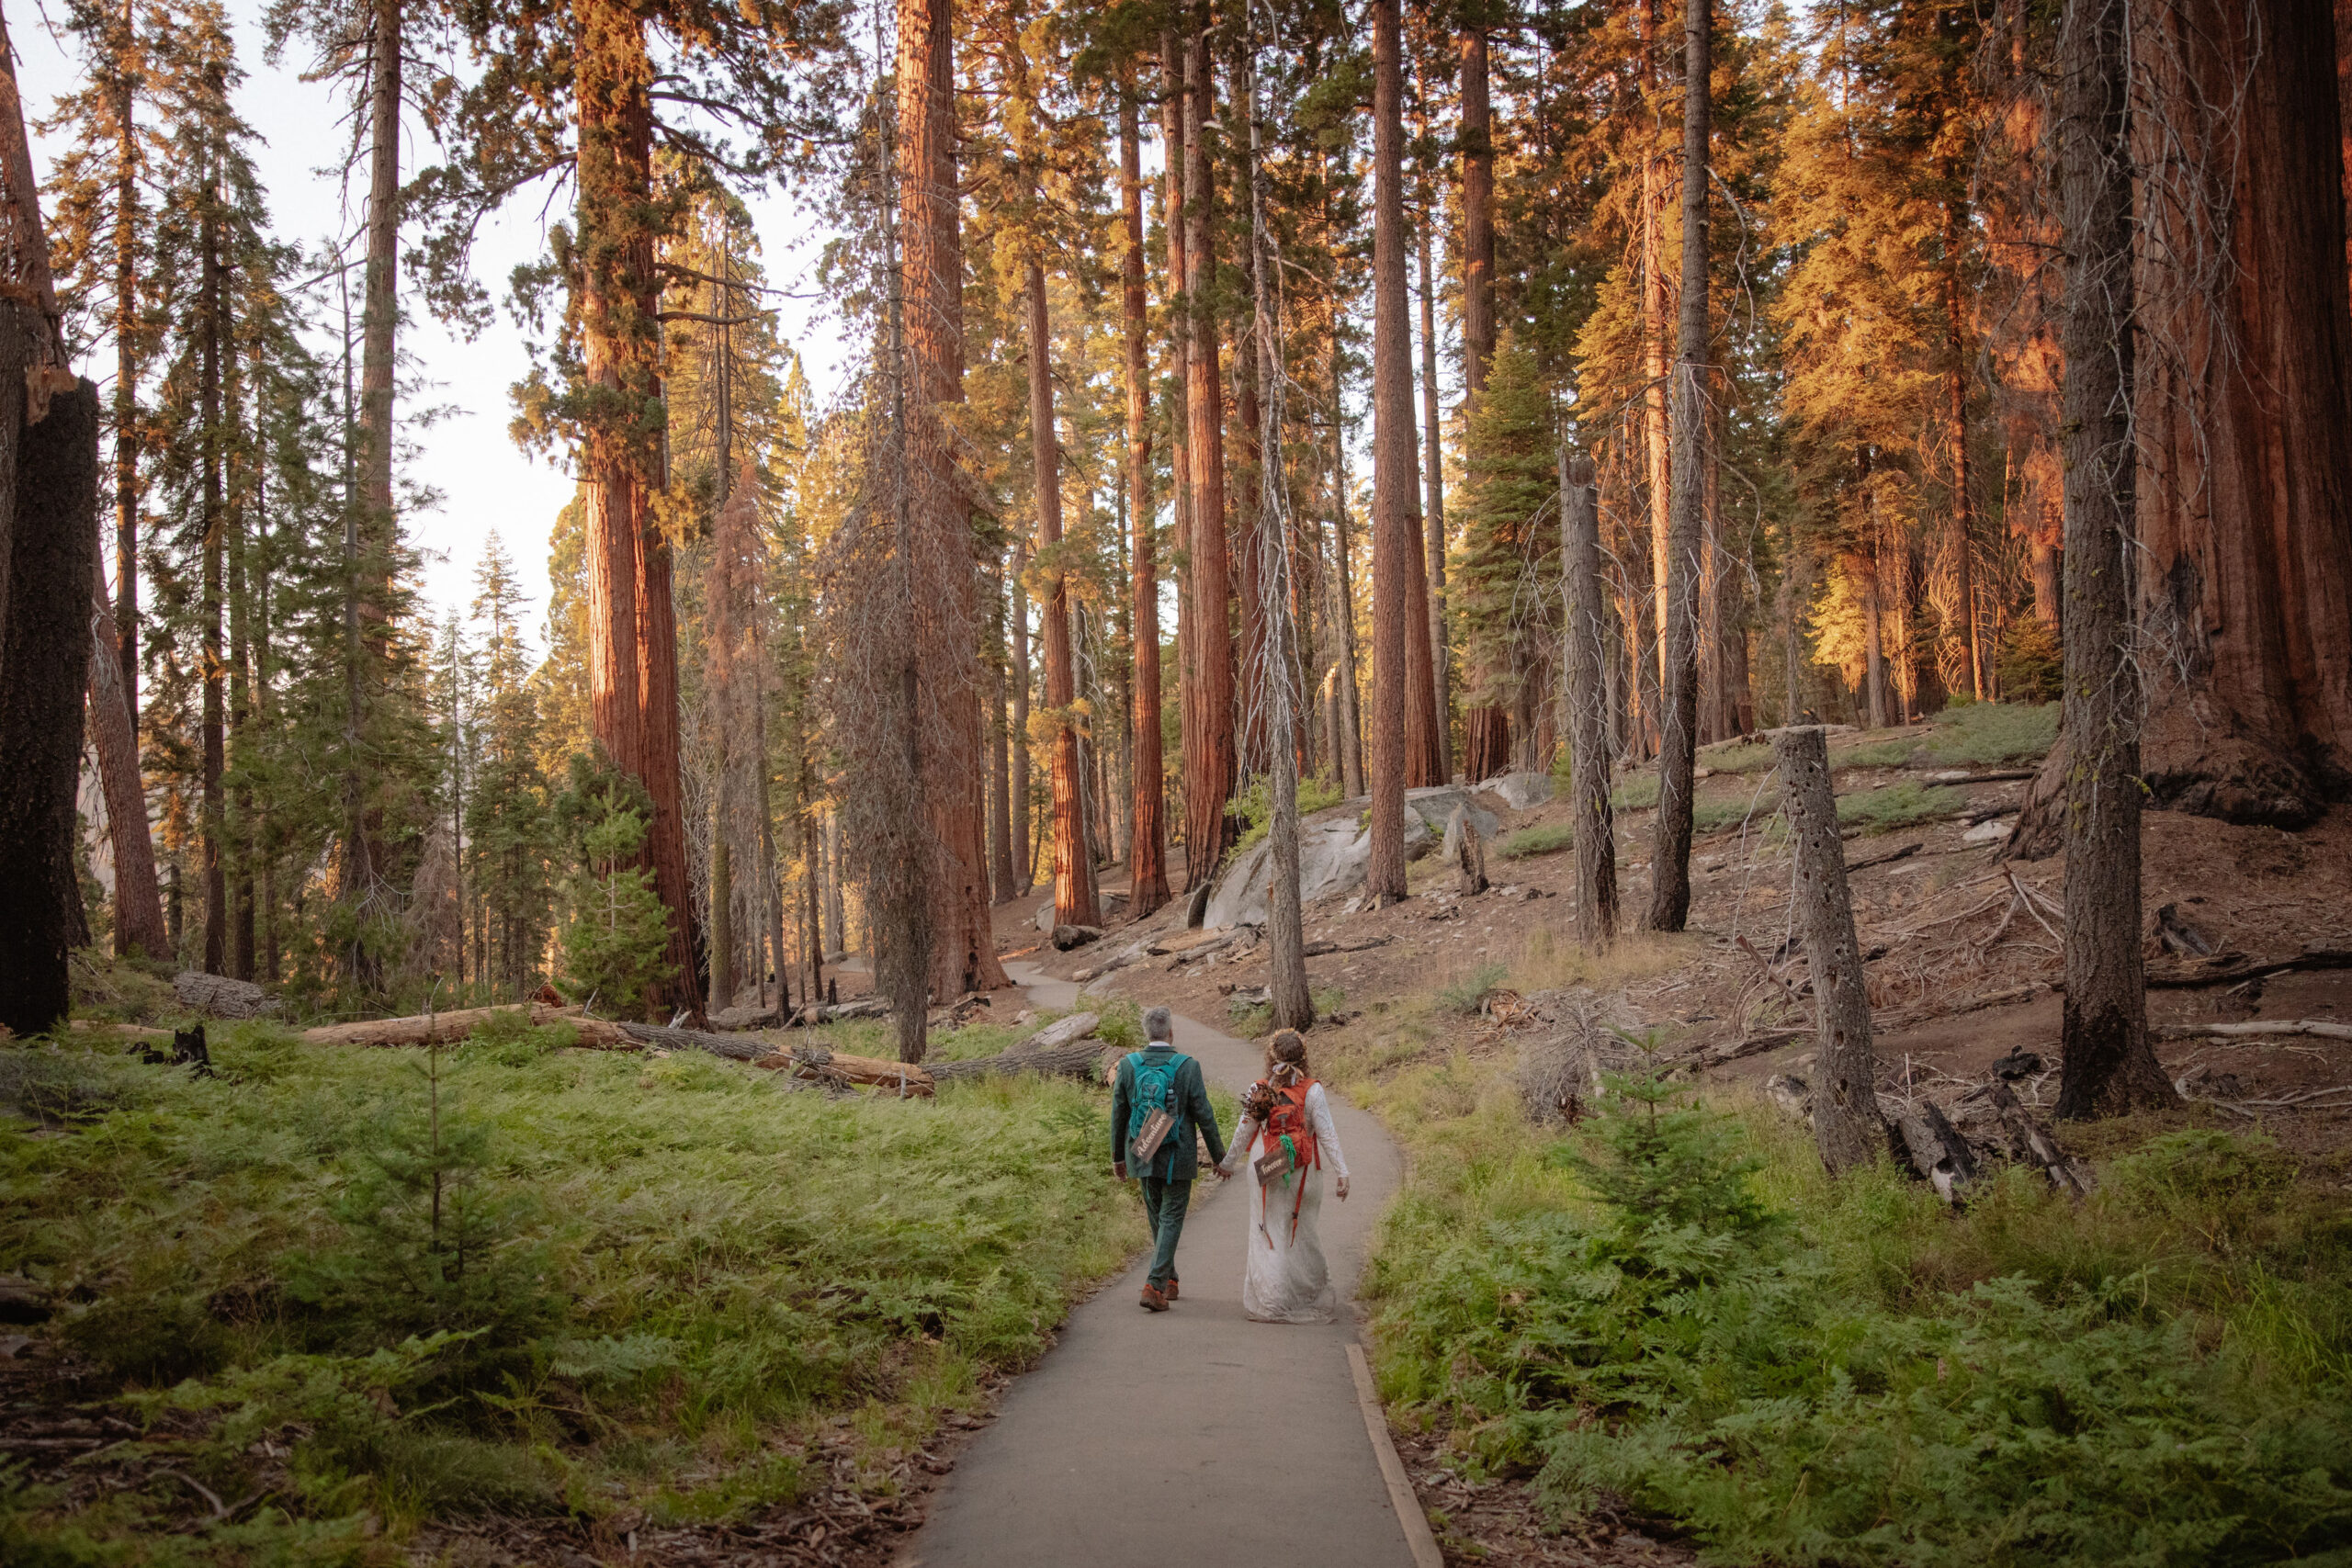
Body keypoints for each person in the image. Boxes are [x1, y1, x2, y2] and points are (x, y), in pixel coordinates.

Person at [1217, 1030, 1350, 1324]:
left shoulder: (1259, 1089)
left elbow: (1244, 1132)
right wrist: (1342, 1171)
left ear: (1270, 1056)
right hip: (1302, 1171)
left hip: (1266, 1168)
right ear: (1304, 1057)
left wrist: (1227, 1164)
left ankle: (1272, 1299)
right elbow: (1326, 1133)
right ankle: (1306, 1294)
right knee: (1301, 1232)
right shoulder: (1312, 1090)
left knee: (1269, 1232)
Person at [1112, 1006, 1227, 1313]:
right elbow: (1205, 1114)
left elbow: (1119, 1115)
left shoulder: (1128, 1065)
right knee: (1171, 1217)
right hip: (1178, 1155)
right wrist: (1220, 1157)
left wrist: (1117, 1158)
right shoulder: (1187, 1066)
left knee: (1157, 1216)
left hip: (1142, 1152)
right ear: (1171, 1032)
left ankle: (1169, 1280)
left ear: (1146, 1033)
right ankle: (1154, 1284)